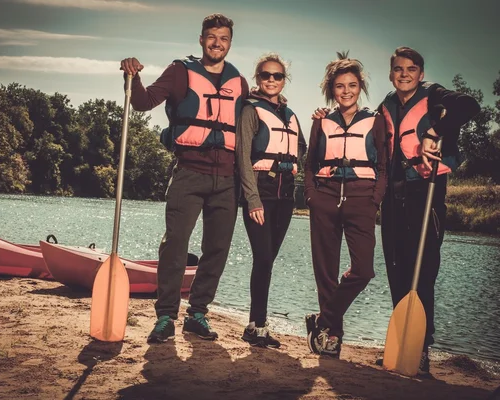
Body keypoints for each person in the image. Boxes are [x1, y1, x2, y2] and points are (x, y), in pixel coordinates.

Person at [312, 47, 481, 373]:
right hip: (392, 198)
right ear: (391, 74)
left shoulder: (435, 96)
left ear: (420, 72)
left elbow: (469, 105)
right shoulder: (385, 106)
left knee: (423, 271)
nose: (405, 74)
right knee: (396, 269)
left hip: (425, 193)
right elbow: (358, 130)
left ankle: (421, 348)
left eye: (411, 69)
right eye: (398, 69)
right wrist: (324, 116)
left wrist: (436, 131)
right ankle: (401, 342)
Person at [120, 14, 249, 344]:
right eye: (211, 37)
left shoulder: (240, 83)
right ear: (201, 39)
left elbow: (252, 125)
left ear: (230, 43)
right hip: (189, 174)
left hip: (227, 179)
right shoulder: (180, 71)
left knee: (217, 249)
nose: (217, 43)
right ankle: (165, 316)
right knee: (175, 243)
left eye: (223, 38)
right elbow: (142, 102)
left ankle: (197, 314)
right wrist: (133, 77)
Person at [304, 52, 388, 358]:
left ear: (360, 86)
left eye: (352, 85)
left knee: (364, 269)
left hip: (362, 199)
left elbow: (383, 165)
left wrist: (375, 198)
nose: (346, 91)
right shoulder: (321, 121)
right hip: (324, 198)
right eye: (340, 86)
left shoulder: (375, 121)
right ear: (331, 90)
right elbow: (310, 163)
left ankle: (322, 320)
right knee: (325, 271)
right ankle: (332, 335)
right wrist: (311, 195)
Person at [236, 53, 306, 348]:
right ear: (258, 78)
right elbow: (242, 156)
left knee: (268, 261)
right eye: (266, 75)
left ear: (284, 80)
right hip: (261, 194)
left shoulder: (291, 115)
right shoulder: (251, 111)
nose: (272, 80)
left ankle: (257, 323)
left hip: (285, 197)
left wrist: (291, 165)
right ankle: (257, 324)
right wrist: (252, 199)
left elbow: (301, 147)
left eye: (278, 76)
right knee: (263, 258)